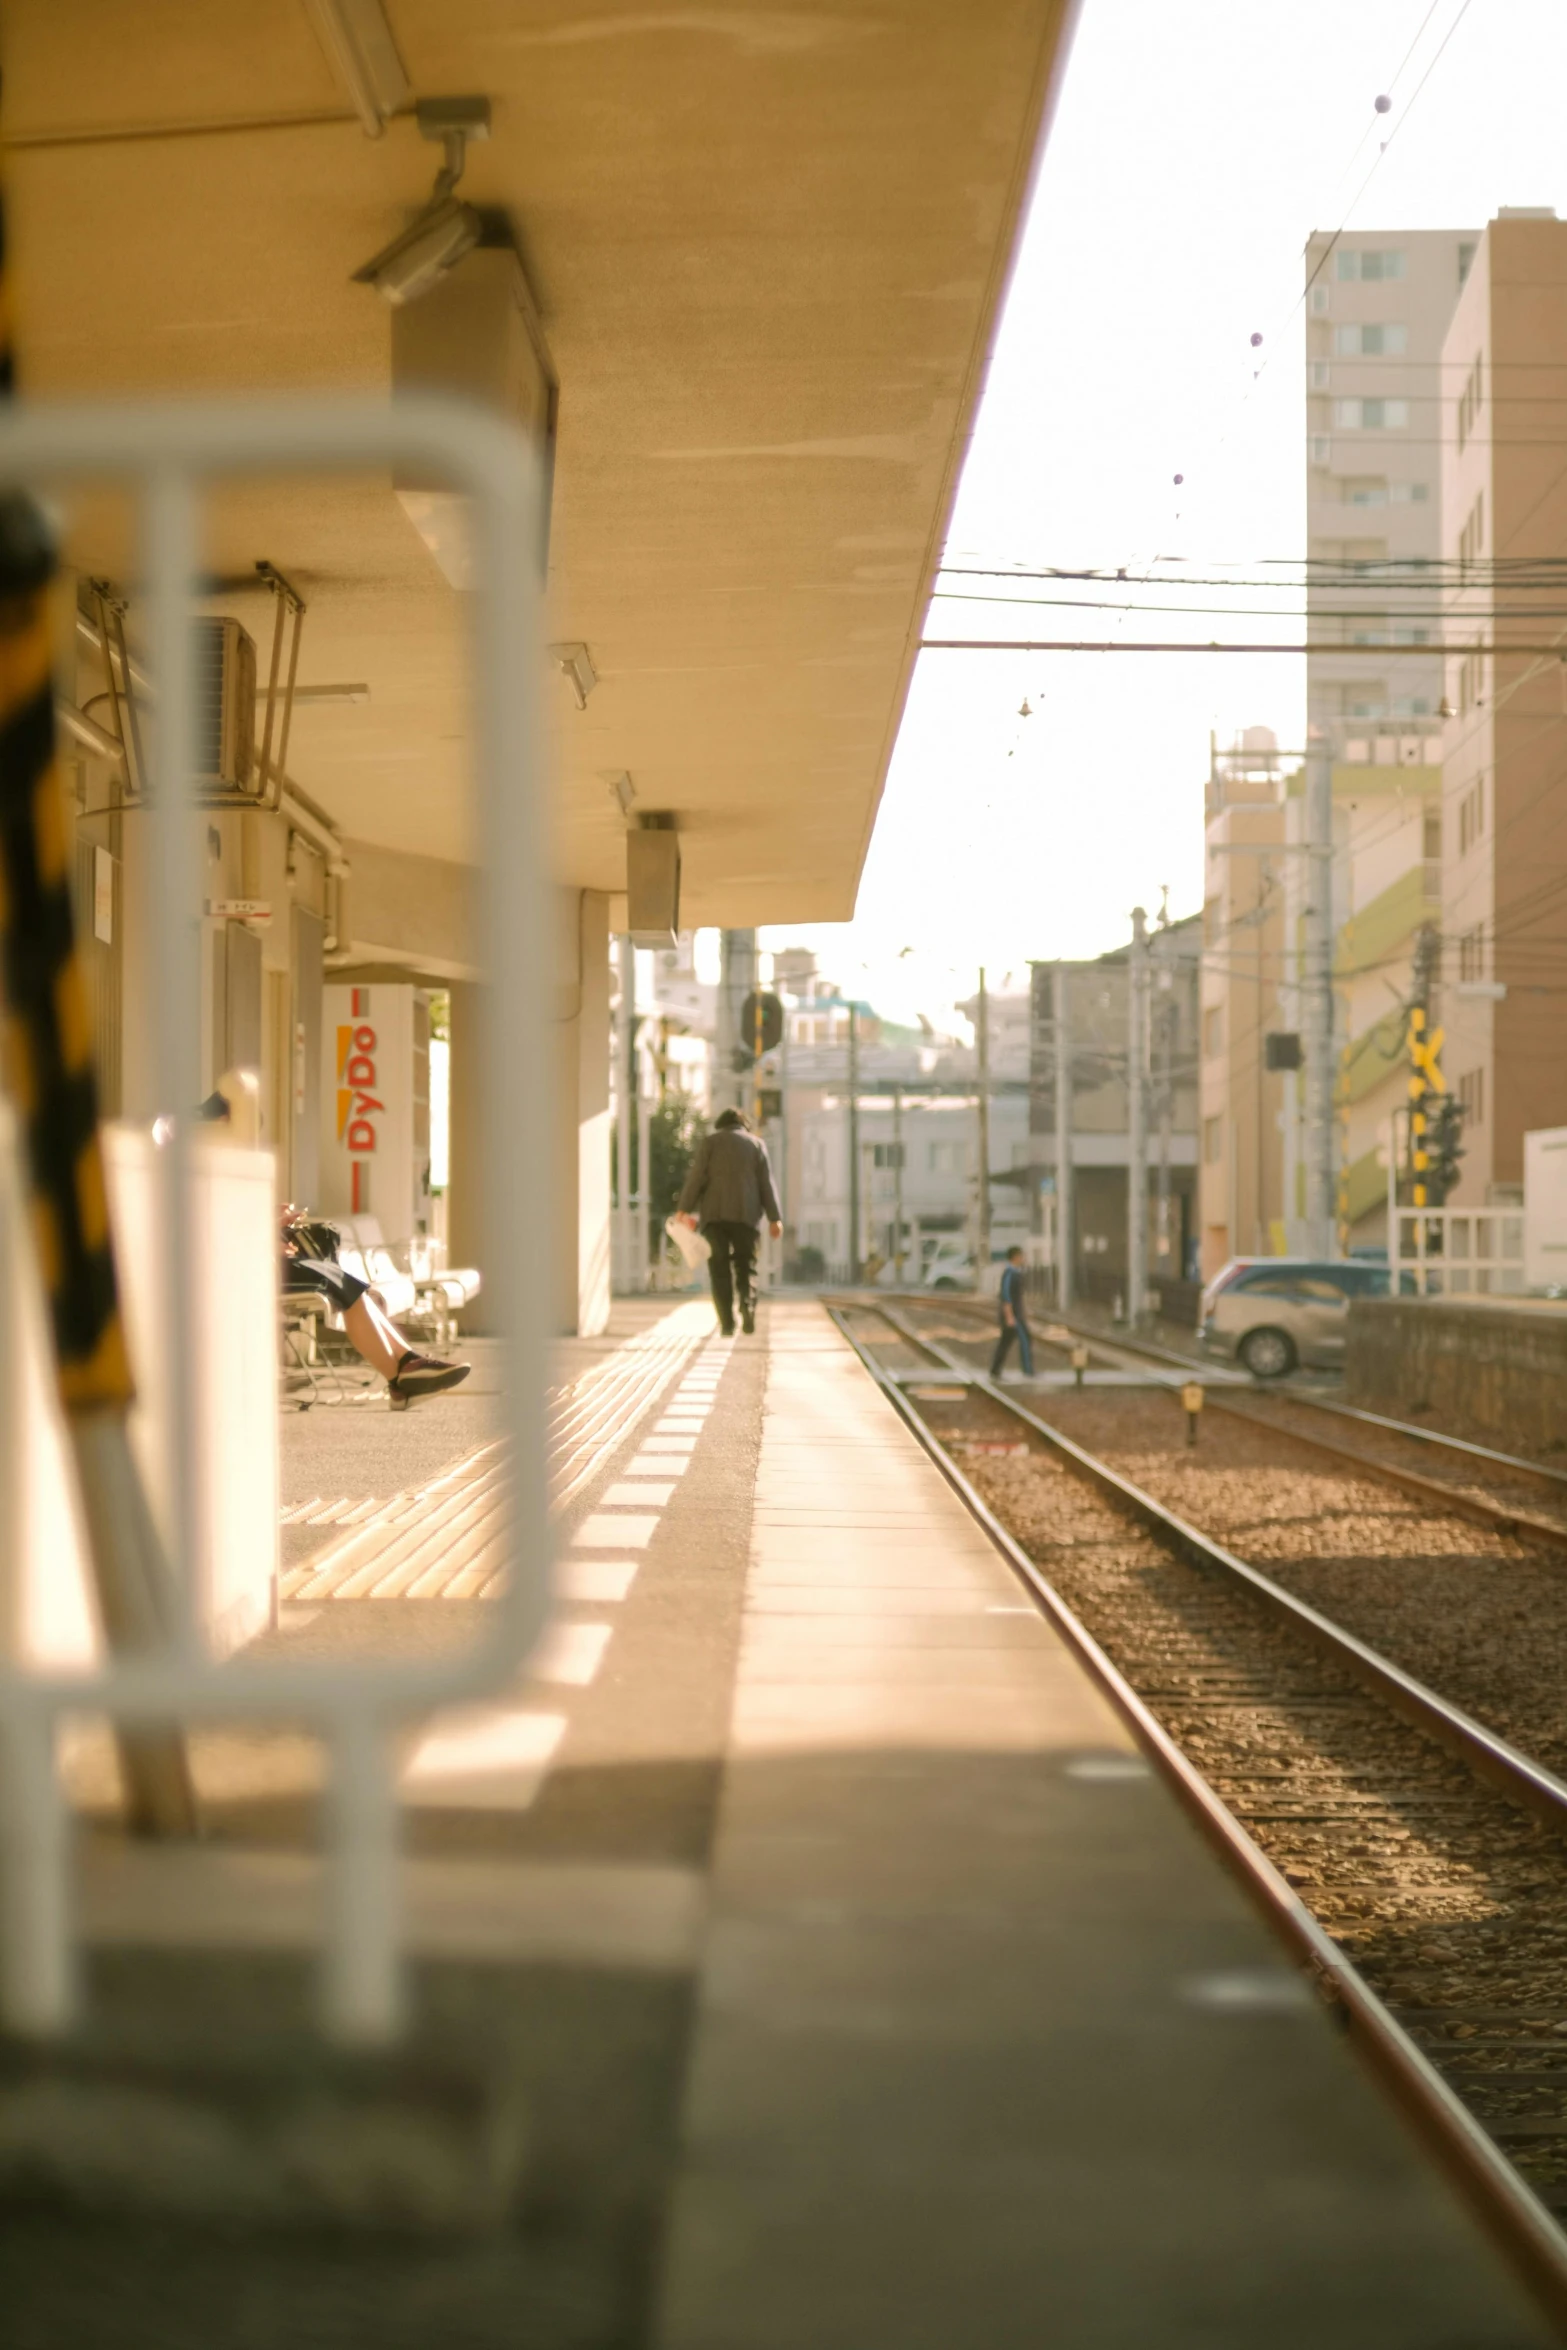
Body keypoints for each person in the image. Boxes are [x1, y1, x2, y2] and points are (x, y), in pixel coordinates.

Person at [281, 1205, 470, 1407]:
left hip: (276, 1260)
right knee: (343, 1285)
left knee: (353, 1289)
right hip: (271, 1265)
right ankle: (402, 1379)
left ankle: (408, 1365)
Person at [676, 1107, 782, 1337]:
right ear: (744, 1125)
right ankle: (747, 1304)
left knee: (719, 1268)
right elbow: (766, 1184)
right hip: (747, 1216)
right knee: (746, 1266)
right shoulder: (756, 1145)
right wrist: (775, 1219)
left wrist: (683, 1209)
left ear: (720, 1124)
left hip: (715, 1218)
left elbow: (696, 1179)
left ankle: (726, 1322)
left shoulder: (710, 1143)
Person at [990, 1245, 1034, 1380]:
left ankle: (995, 1370)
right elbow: (1006, 1295)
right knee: (1023, 1340)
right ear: (1015, 1257)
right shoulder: (1009, 1273)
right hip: (1013, 1315)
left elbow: (1017, 1296)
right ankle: (1027, 1371)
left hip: (1016, 1314)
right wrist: (1009, 1316)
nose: (1023, 1258)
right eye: (1021, 1256)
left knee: (1007, 1342)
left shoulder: (1016, 1272)